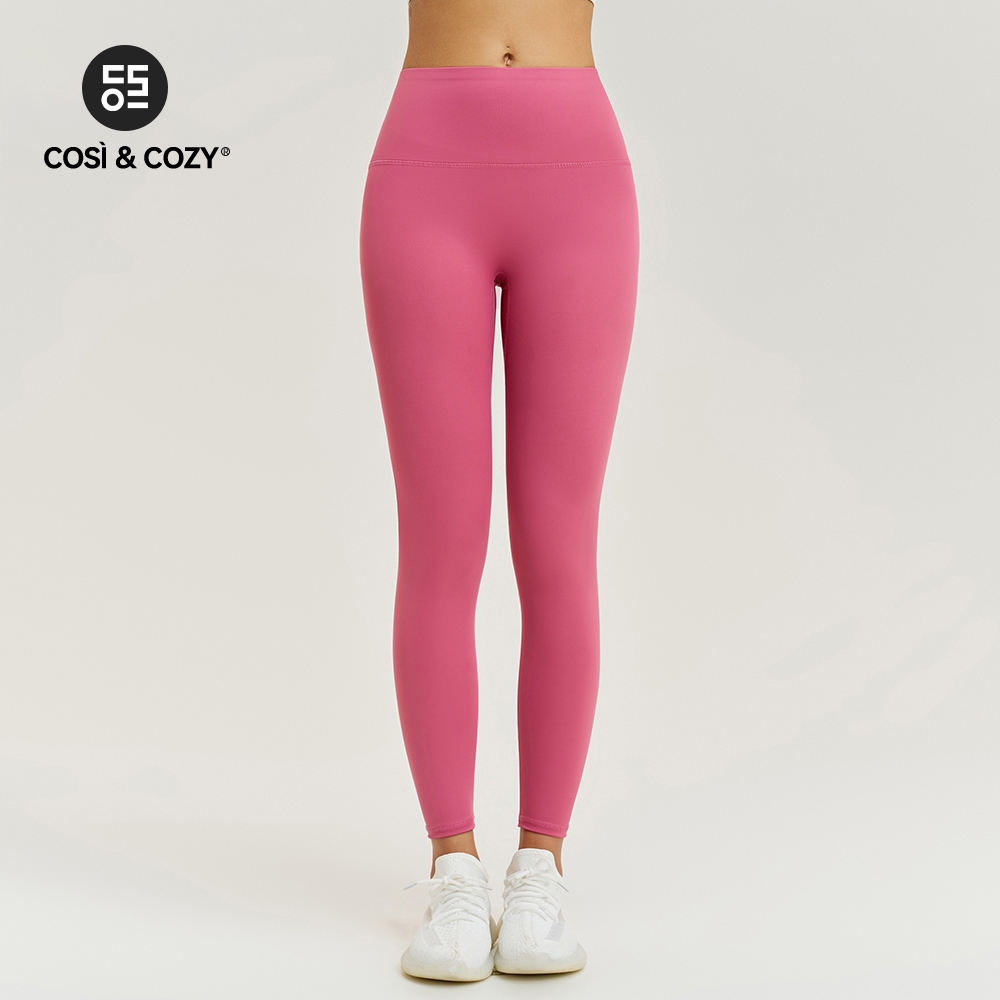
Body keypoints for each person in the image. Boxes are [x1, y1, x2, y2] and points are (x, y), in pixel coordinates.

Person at [358, 0, 638, 981]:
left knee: (558, 547)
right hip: (427, 172)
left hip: (578, 180)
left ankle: (540, 869)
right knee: (440, 545)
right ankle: (452, 867)